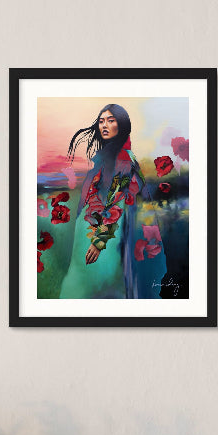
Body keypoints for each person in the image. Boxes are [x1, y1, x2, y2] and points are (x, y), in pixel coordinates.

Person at [58, 103, 166, 299]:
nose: (104, 125)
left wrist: (99, 241)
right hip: (91, 230)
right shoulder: (105, 156)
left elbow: (118, 200)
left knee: (96, 286)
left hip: (108, 237)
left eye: (111, 120)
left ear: (122, 125)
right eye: (101, 121)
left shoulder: (124, 159)